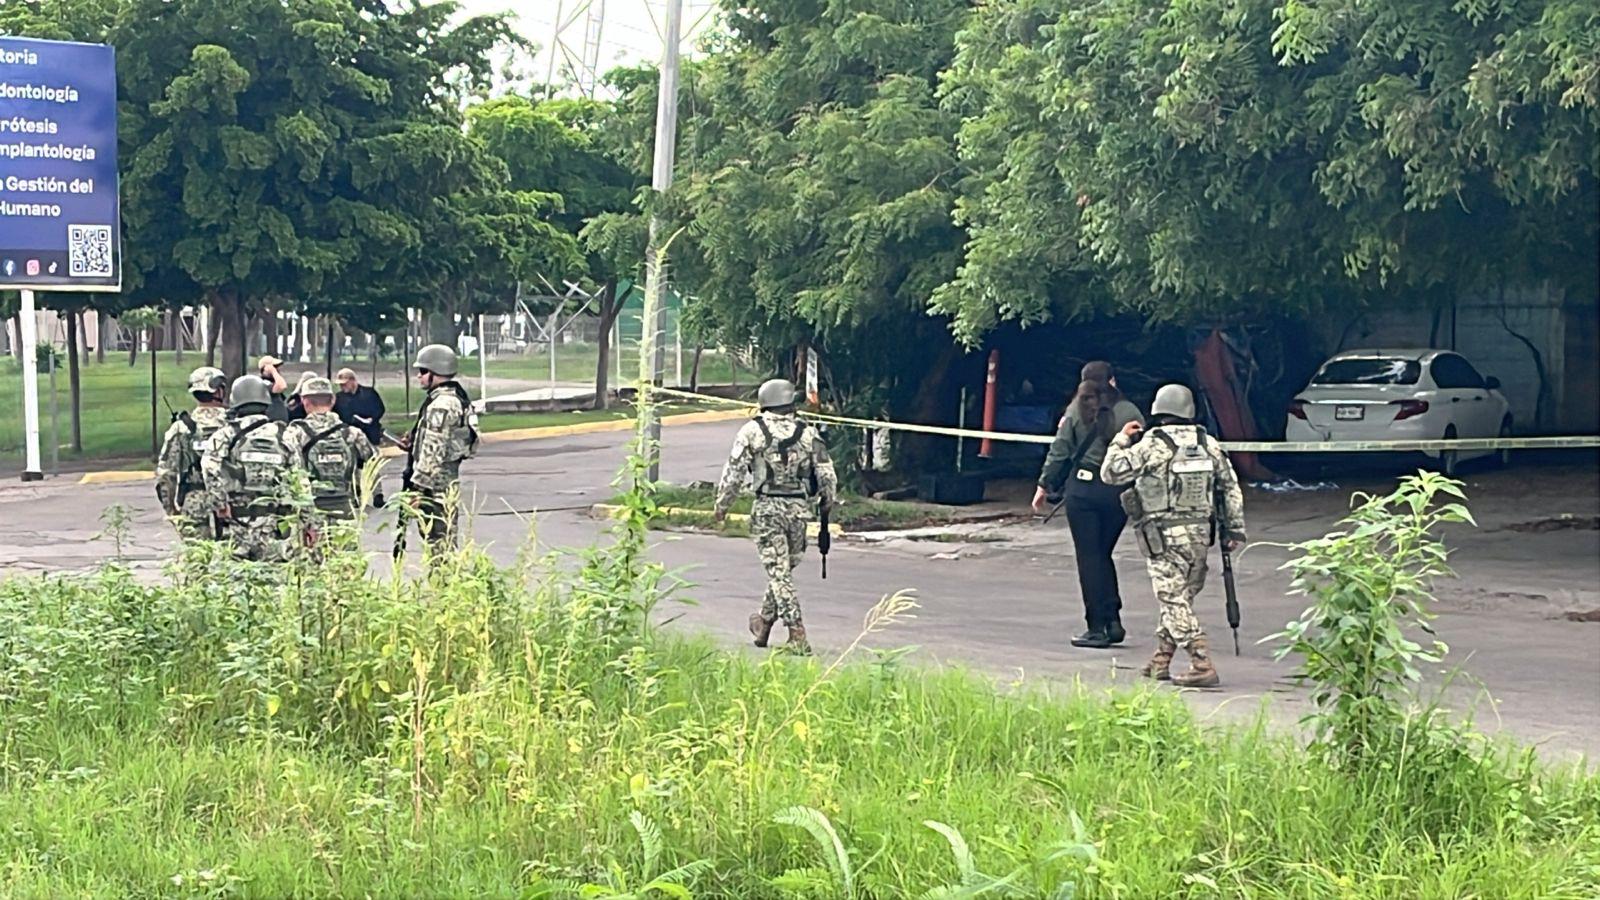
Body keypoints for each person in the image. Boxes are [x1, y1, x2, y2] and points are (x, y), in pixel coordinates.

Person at [1100, 384, 1246, 687]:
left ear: (1159, 410)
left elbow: (1111, 472)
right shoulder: (1208, 443)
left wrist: (1121, 439)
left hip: (1163, 537)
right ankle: (1161, 659)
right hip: (1200, 535)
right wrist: (1234, 529)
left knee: (1171, 599)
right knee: (1180, 598)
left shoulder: (1154, 444)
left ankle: (1201, 661)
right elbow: (1230, 488)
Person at [713, 379, 838, 655]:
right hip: (799, 512)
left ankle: (797, 632)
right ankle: (764, 622)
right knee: (782, 570)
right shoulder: (809, 434)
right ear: (791, 403)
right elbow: (827, 475)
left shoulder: (751, 431)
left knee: (779, 573)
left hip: (767, 511)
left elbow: (733, 474)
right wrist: (827, 503)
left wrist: (722, 506)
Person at [1032, 361, 1145, 648]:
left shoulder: (1074, 411)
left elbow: (1060, 450)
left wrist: (1044, 484)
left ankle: (1097, 627)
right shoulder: (1129, 412)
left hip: (1083, 492)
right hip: (1116, 492)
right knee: (1102, 554)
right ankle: (1114, 620)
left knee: (1089, 558)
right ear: (1113, 381)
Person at [395, 344, 478, 557]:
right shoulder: (454, 398)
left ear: (436, 373)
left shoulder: (441, 404)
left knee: (439, 546)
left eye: (423, 372)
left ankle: (442, 587)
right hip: (444, 483)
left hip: (436, 487)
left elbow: (434, 450)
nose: (419, 376)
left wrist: (418, 488)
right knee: (442, 542)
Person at [203, 375, 295, 561]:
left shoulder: (224, 435)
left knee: (233, 581)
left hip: (235, 523)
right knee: (273, 582)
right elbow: (298, 480)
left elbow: (209, 468)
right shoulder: (284, 436)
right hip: (272, 523)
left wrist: (220, 504)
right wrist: (306, 521)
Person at [282, 376, 374, 521]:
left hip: (311, 509)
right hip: (345, 507)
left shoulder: (296, 433)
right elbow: (372, 459)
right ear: (332, 400)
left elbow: (286, 467)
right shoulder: (351, 433)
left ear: (304, 401)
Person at [155, 366, 229, 538]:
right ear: (218, 390)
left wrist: (172, 511)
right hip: (229, 505)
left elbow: (166, 475)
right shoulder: (234, 424)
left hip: (193, 504)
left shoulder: (181, 428)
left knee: (197, 560)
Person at [334, 367, 388, 507]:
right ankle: (356, 494)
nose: (342, 387)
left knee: (372, 464)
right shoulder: (339, 398)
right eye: (340, 384)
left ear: (353, 381)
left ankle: (378, 494)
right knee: (353, 466)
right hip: (350, 436)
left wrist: (371, 419)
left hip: (369, 433)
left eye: (344, 383)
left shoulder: (369, 393)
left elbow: (380, 409)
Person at [258, 355, 290, 422]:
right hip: (272, 424)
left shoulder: (273, 383)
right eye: (274, 367)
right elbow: (282, 386)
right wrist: (273, 371)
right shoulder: (263, 383)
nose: (277, 370)